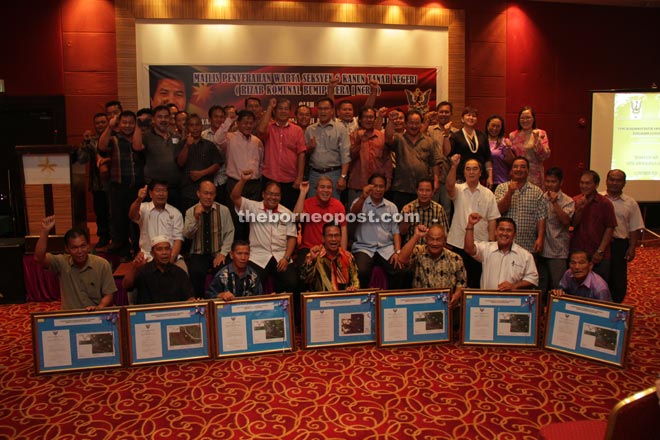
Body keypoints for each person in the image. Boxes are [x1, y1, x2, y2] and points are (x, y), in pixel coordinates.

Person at [230, 169, 299, 294]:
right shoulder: (253, 207)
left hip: (280, 256)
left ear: (280, 197)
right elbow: (235, 197)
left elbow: (292, 237)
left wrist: (286, 258)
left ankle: (285, 311)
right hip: (258, 257)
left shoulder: (287, 213)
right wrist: (243, 181)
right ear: (263, 194)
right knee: (251, 283)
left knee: (293, 283)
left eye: (277, 195)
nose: (273, 197)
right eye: (270, 194)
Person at [34, 216, 116, 311]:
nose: (80, 251)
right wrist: (45, 231)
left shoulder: (102, 264)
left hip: (95, 315)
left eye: (83, 246)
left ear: (88, 246)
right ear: (67, 249)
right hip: (70, 317)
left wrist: (98, 308)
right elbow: (38, 258)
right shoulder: (62, 263)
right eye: (74, 248)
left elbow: (109, 294)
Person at [446, 156, 499, 288]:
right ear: (463, 172)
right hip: (458, 242)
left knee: (475, 281)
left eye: (475, 169)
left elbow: (492, 219)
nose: (471, 172)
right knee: (455, 281)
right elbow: (448, 186)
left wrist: (492, 242)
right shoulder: (458, 189)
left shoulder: (488, 194)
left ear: (480, 172)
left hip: (480, 244)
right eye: (468, 169)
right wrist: (453, 166)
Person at [98, 110, 144, 261]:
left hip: (137, 187)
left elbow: (139, 148)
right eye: (124, 122)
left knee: (138, 221)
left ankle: (138, 250)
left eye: (131, 122)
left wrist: (138, 126)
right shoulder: (114, 138)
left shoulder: (140, 138)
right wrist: (110, 127)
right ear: (119, 123)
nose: (128, 125)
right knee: (119, 221)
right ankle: (123, 252)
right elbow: (101, 147)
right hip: (118, 186)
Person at [350, 173, 405, 289]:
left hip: (386, 248)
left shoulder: (391, 207)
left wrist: (398, 252)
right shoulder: (360, 202)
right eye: (375, 186)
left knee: (400, 271)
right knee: (362, 272)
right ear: (369, 186)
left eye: (381, 186)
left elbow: (396, 231)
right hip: (364, 247)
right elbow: (352, 216)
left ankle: (391, 302)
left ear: (385, 188)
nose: (378, 189)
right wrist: (363, 197)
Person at [183, 181, 235, 297]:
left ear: (215, 195)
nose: (208, 197)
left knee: (224, 271)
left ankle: (222, 303)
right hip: (198, 253)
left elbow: (230, 232)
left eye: (211, 194)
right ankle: (200, 304)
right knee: (196, 272)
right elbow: (187, 234)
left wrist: (223, 253)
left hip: (217, 252)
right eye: (205, 193)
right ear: (198, 194)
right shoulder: (190, 211)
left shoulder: (224, 210)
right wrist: (196, 218)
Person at [385, 109, 442, 211]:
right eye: (411, 123)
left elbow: (435, 162)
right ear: (406, 124)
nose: (414, 126)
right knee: (402, 220)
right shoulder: (399, 139)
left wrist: (436, 181)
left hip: (422, 190)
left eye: (417, 123)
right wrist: (390, 121)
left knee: (420, 220)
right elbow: (388, 138)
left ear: (421, 124)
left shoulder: (429, 141)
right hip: (401, 188)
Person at [464, 214, 539, 291]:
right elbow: (469, 249)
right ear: (495, 232)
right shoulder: (486, 249)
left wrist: (514, 286)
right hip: (487, 300)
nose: (504, 233)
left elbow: (532, 278)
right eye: (501, 229)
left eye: (509, 230)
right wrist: (470, 225)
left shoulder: (526, 256)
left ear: (515, 234)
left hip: (512, 301)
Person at [257, 97, 307, 210]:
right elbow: (260, 130)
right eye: (280, 108)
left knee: (288, 214)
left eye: (286, 109)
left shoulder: (297, 130)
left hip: (290, 179)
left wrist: (299, 178)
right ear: (275, 111)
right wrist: (270, 106)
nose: (283, 111)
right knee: (267, 212)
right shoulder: (269, 127)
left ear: (290, 112)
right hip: (270, 176)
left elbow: (301, 154)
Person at [602, 169, 644, 303]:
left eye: (618, 180)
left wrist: (632, 248)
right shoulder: (598, 197)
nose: (614, 183)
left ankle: (615, 307)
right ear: (606, 181)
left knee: (618, 279)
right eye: (612, 179)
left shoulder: (630, 203)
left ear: (624, 183)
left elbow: (634, 227)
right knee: (600, 277)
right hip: (599, 244)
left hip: (619, 245)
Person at [399, 224, 466, 306]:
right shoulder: (419, 252)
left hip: (446, 305)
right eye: (431, 239)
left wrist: (456, 295)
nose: (434, 243)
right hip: (421, 304)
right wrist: (416, 236)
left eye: (438, 239)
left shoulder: (455, 258)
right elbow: (401, 259)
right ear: (426, 239)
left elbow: (462, 282)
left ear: (445, 240)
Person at [132, 104, 183, 212]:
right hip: (155, 189)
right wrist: (138, 125)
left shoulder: (176, 136)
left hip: (174, 188)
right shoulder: (147, 136)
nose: (163, 120)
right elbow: (136, 147)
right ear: (153, 119)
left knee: (174, 220)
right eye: (160, 117)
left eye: (166, 117)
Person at [129, 180, 186, 272]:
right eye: (158, 190)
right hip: (147, 256)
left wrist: (170, 261)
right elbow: (132, 216)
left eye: (164, 190)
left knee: (183, 272)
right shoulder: (143, 207)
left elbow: (178, 240)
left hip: (170, 256)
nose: (161, 194)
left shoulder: (176, 213)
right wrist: (139, 199)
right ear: (151, 194)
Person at [570, 170, 617, 282]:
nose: (584, 186)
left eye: (588, 183)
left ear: (596, 185)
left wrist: (600, 251)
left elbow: (610, 228)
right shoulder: (575, 200)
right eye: (582, 183)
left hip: (599, 253)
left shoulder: (605, 203)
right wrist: (579, 210)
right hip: (578, 252)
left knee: (599, 285)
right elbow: (572, 225)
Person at [494, 156, 546, 255]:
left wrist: (540, 238)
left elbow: (541, 218)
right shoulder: (501, 188)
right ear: (511, 171)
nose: (519, 169)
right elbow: (498, 211)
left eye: (522, 167)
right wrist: (509, 193)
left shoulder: (537, 191)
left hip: (528, 245)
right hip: (505, 245)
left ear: (528, 170)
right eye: (515, 167)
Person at [122, 235, 195, 305]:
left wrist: (192, 301)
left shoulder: (179, 273)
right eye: (159, 249)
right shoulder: (143, 271)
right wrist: (134, 268)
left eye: (167, 249)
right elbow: (126, 286)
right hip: (147, 315)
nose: (164, 253)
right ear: (152, 253)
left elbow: (189, 296)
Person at [538, 167, 574, 300]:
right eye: (547, 181)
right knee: (540, 287)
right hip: (541, 249)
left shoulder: (567, 200)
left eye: (553, 181)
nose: (549, 184)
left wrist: (555, 203)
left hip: (558, 251)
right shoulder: (540, 197)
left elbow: (566, 221)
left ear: (561, 182)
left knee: (558, 287)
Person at [75, 112, 111, 249]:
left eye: (103, 122)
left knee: (114, 215)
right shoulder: (92, 141)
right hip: (98, 185)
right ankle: (103, 237)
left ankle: (117, 239)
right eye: (98, 123)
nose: (100, 125)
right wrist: (85, 142)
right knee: (101, 214)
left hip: (114, 185)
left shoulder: (114, 139)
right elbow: (81, 160)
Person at [304, 96, 351, 199]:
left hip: (334, 173)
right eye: (320, 109)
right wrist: (309, 148)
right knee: (313, 207)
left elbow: (345, 154)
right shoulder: (310, 130)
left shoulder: (340, 129)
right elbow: (304, 155)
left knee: (332, 208)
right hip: (314, 174)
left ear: (332, 111)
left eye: (326, 109)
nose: (323, 112)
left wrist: (343, 177)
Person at [293, 177, 347, 264]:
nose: (326, 190)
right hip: (308, 248)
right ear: (316, 189)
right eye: (322, 187)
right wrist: (303, 193)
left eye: (329, 187)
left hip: (330, 249)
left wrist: (343, 253)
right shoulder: (307, 203)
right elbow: (296, 218)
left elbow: (343, 229)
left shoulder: (338, 205)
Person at [175, 113, 221, 212]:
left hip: (207, 194)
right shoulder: (181, 144)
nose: (195, 128)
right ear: (187, 128)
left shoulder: (209, 145)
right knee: (189, 222)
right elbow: (180, 163)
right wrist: (187, 145)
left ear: (201, 126)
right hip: (187, 192)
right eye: (191, 125)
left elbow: (217, 164)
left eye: (197, 125)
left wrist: (201, 173)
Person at [347, 106, 392, 207]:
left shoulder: (381, 137)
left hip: (377, 188)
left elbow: (387, 161)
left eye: (371, 117)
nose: (368, 120)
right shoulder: (353, 136)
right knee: (354, 218)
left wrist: (388, 180)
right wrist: (358, 140)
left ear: (375, 119)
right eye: (366, 117)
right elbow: (349, 158)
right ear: (360, 120)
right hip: (357, 186)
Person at [300, 223, 360, 292]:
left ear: (341, 237)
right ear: (323, 238)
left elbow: (355, 281)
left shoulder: (348, 256)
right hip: (320, 300)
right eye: (330, 236)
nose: (333, 239)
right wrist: (313, 260)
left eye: (336, 235)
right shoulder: (314, 255)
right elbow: (304, 280)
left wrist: (353, 288)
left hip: (343, 300)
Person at [426, 100, 457, 217]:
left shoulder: (456, 133)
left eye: (446, 112)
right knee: (429, 210)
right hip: (431, 177)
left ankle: (445, 235)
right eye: (441, 112)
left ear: (451, 114)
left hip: (447, 176)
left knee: (446, 211)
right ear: (437, 113)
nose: (444, 114)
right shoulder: (429, 130)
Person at [449, 106, 492, 186]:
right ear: (462, 119)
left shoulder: (482, 136)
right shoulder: (455, 136)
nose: (471, 118)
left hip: (480, 177)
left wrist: (490, 177)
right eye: (468, 115)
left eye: (474, 116)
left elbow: (488, 158)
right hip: (461, 177)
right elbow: (449, 154)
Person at [509, 106, 550, 188]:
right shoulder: (513, 135)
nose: (525, 120)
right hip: (518, 173)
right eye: (522, 118)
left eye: (528, 117)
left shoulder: (541, 133)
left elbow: (544, 156)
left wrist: (537, 140)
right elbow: (511, 158)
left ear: (533, 119)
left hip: (535, 175)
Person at [399, 178, 449, 245]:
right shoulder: (408, 208)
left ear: (432, 192)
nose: (424, 193)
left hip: (432, 247)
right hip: (412, 247)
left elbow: (445, 233)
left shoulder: (439, 209)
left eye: (428, 190)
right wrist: (406, 216)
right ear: (417, 191)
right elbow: (402, 232)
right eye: (421, 190)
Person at [201, 105, 229, 206]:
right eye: (216, 117)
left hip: (224, 180)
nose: (219, 119)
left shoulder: (230, 136)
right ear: (210, 119)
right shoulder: (202, 135)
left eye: (222, 117)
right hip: (206, 180)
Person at [485, 115, 514, 191]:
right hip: (483, 181)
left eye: (498, 126)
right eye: (493, 125)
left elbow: (511, 163)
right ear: (488, 126)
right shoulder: (481, 140)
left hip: (501, 181)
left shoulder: (505, 142)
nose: (495, 128)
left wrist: (508, 148)